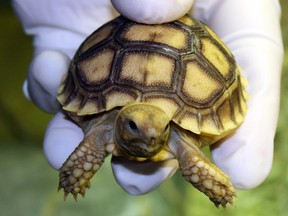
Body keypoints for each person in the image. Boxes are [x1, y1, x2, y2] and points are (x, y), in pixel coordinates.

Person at [13, 0, 283, 195]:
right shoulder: (104, 126)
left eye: (161, 129)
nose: (151, 136)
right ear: (121, 122)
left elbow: (191, 159)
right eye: (133, 126)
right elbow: (89, 150)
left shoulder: (170, 134)